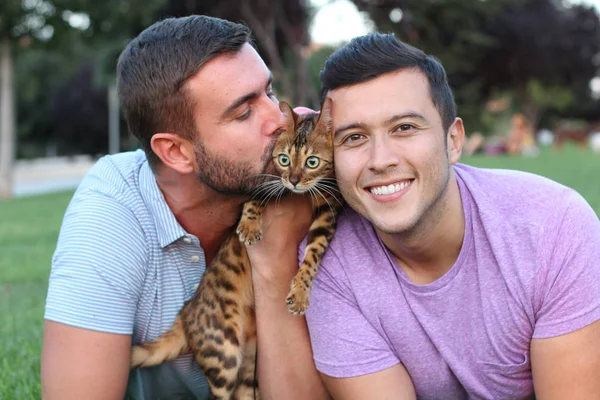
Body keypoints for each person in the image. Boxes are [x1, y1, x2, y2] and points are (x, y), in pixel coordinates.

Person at [41, 15, 329, 400]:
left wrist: (274, 260)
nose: (279, 120)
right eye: (244, 112)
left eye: (270, 92)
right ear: (176, 152)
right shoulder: (111, 216)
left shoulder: (302, 184)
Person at [304, 32, 600, 399]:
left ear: (453, 141)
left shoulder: (552, 226)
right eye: (353, 138)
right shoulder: (329, 266)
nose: (380, 160)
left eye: (405, 128)